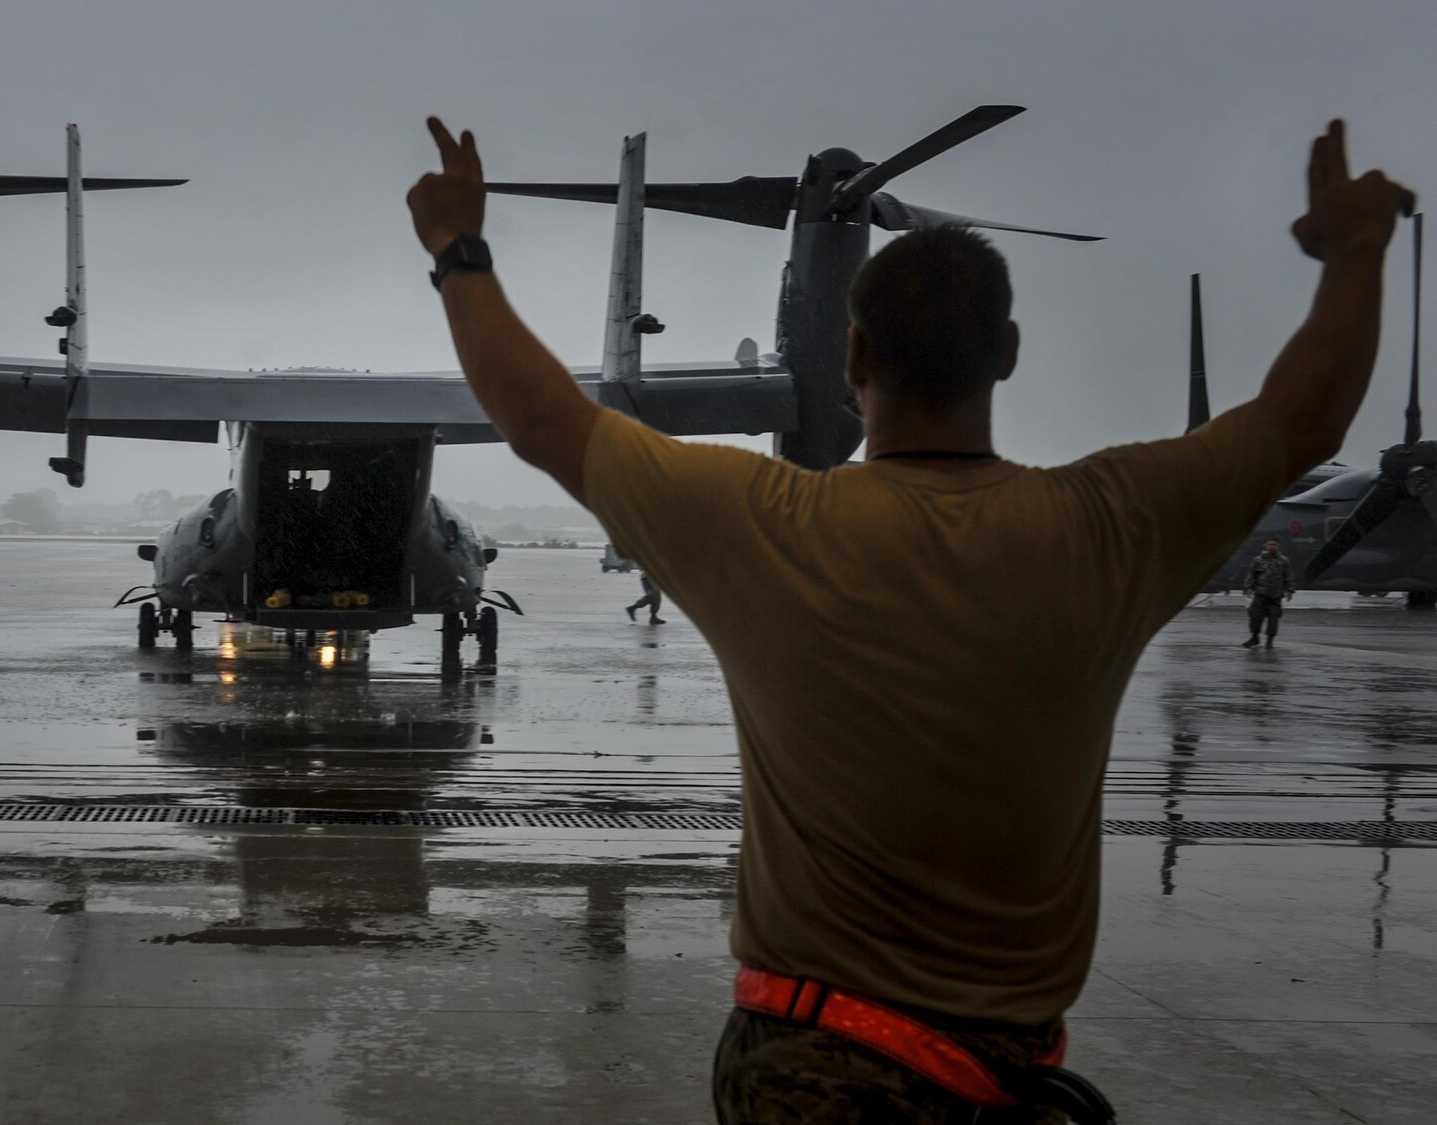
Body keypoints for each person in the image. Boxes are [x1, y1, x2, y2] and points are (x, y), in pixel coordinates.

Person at [408, 117, 1411, 1122]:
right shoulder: (1112, 526)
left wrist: (459, 252)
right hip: (1000, 1078)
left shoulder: (761, 522)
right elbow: (1303, 417)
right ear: (1007, 353)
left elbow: (540, 418)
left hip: (809, 1067)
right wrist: (1354, 252)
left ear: (849, 355)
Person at [1241, 539, 1296, 646]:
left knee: (1273, 620)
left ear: (1278, 546)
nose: (1272, 547)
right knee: (1255, 617)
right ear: (1266, 546)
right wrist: (1248, 587)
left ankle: (1269, 641)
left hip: (1275, 596)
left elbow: (1289, 576)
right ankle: (1254, 637)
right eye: (1270, 545)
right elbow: (1251, 575)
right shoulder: (1258, 560)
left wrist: (1290, 590)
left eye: (1274, 545)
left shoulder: (1284, 561)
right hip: (1260, 594)